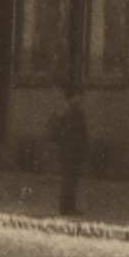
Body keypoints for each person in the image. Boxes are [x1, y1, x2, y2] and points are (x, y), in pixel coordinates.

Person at [48, 84, 91, 219]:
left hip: (71, 150)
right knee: (69, 179)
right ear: (74, 97)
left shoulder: (73, 112)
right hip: (69, 150)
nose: (82, 99)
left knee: (71, 179)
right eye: (80, 96)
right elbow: (65, 133)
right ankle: (66, 207)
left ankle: (69, 206)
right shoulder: (71, 113)